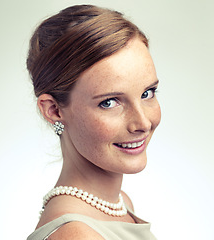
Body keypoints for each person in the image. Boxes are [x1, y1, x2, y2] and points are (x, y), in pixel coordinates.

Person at [26, 4, 161, 240]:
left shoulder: (119, 203)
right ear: (54, 110)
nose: (142, 122)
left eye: (147, 93)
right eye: (109, 102)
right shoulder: (77, 234)